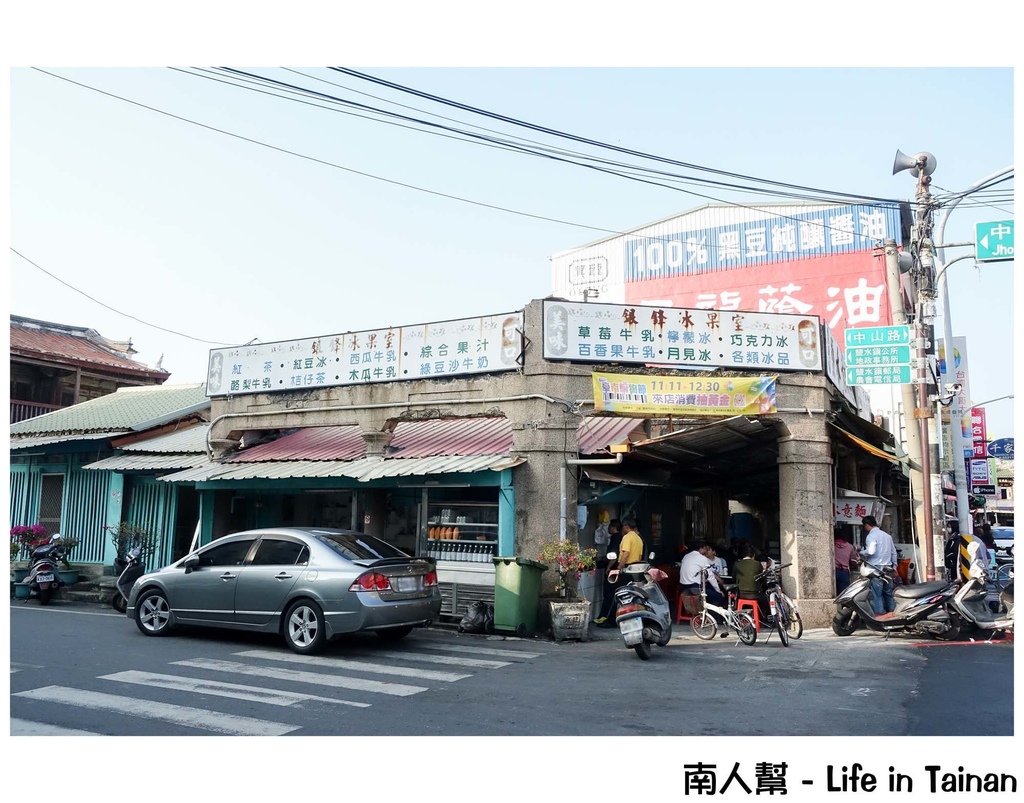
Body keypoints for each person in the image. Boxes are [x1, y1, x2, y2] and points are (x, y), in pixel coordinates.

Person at [860, 515, 897, 614]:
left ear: (867, 525)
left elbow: (871, 551)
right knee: (888, 593)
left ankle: (880, 615)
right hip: (888, 568)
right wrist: (895, 567)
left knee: (877, 594)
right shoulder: (887, 536)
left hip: (876, 569)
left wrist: (862, 552)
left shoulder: (871, 536)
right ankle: (893, 614)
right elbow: (894, 553)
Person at [679, 540, 726, 609]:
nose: (706, 551)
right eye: (704, 549)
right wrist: (718, 590)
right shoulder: (702, 558)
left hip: (683, 588)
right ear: (701, 549)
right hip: (695, 588)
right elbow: (710, 577)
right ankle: (712, 616)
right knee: (718, 596)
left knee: (708, 590)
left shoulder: (686, 556)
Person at [593, 519, 623, 625]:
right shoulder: (621, 538)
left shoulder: (616, 539)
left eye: (609, 527)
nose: (608, 529)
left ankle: (605, 617)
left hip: (613, 570)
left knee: (609, 594)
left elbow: (613, 556)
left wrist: (608, 567)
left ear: (613, 527)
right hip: (618, 570)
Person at [733, 543, 768, 618]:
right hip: (755, 595)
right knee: (766, 598)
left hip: (741, 594)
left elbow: (733, 579)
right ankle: (764, 619)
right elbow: (763, 581)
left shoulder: (736, 564)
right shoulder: (757, 564)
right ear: (754, 555)